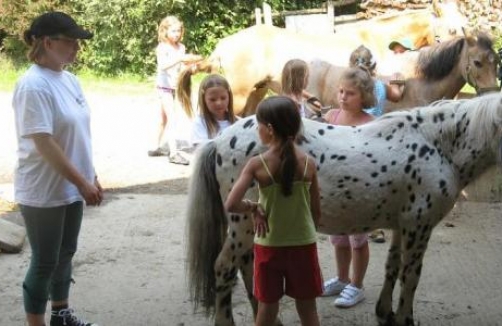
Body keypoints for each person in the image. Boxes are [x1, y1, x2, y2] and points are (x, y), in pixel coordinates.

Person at [12, 11, 103, 326]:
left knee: (65, 253)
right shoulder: (32, 86)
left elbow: (78, 134)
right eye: (70, 42)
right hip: (43, 190)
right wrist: (81, 182)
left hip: (71, 185)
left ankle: (61, 315)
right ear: (47, 43)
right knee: (45, 262)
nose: (77, 48)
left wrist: (91, 176)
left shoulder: (69, 79)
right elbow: (44, 143)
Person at [224, 96, 322, 326]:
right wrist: (303, 231)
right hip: (303, 245)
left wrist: (254, 207)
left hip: (269, 247)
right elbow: (316, 213)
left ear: (268, 129)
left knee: (266, 312)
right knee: (308, 311)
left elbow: (231, 204)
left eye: (258, 125)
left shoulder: (258, 164)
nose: (257, 130)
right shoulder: (309, 163)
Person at [321, 67, 375, 308]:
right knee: (339, 240)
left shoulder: (370, 123)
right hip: (334, 190)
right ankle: (342, 279)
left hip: (358, 193)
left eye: (350, 93)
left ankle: (357, 284)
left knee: (358, 241)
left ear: (364, 96)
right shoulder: (331, 116)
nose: (343, 97)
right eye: (341, 91)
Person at [148, 15, 201, 165]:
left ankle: (154, 147)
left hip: (174, 87)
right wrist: (181, 58)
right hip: (164, 87)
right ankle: (174, 153)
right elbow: (163, 66)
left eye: (178, 31)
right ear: (165, 31)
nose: (176, 34)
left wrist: (191, 68)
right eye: (173, 31)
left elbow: (181, 68)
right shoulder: (162, 48)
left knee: (163, 119)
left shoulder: (181, 47)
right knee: (172, 119)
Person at [191, 74, 237, 147]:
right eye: (212, 99)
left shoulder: (238, 122)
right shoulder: (200, 123)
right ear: (204, 100)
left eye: (223, 98)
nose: (219, 103)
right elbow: (202, 150)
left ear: (229, 97)